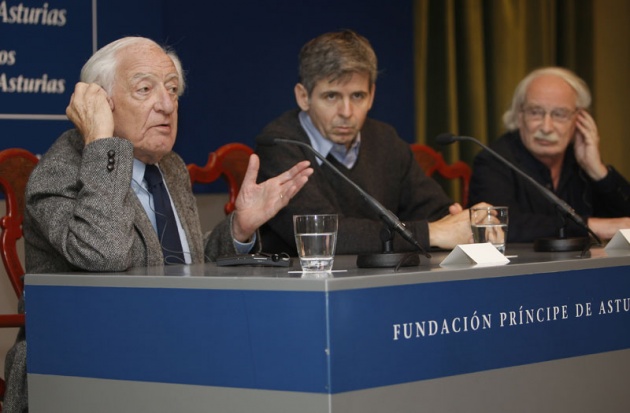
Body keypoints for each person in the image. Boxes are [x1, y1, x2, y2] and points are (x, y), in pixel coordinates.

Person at [3, 36, 313, 413]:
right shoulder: (60, 172)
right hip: (82, 368)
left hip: (169, 353)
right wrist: (100, 141)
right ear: (99, 101)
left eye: (172, 90)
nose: (166, 105)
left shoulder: (171, 168)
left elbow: (177, 269)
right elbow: (106, 254)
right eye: (145, 89)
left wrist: (238, 230)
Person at [255, 30, 480, 256]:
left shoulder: (385, 139)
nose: (346, 112)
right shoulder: (278, 144)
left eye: (357, 96)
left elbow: (434, 210)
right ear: (304, 97)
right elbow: (321, 233)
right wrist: (431, 233)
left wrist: (469, 224)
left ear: (371, 95)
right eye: (331, 96)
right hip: (305, 286)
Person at [468, 67, 630, 242]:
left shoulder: (580, 159)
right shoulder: (492, 161)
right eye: (536, 112)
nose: (546, 127)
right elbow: (501, 226)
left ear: (580, 119)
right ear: (519, 115)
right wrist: (591, 226)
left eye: (559, 114)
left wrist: (598, 171)